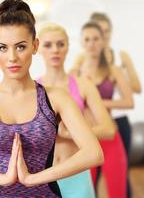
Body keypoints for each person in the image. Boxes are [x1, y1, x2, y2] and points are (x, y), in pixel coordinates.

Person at [0, 0, 104, 198]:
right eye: (3, 47)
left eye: (20, 47)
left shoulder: (56, 99)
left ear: (35, 45)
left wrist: (34, 178)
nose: (12, 57)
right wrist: (2, 178)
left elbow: (94, 153)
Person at [37, 22, 115, 198]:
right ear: (38, 47)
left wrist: (69, 133)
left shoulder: (83, 85)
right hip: (43, 175)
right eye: (48, 45)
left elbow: (108, 129)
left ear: (68, 47)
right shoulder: (32, 89)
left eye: (60, 44)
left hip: (76, 174)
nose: (55, 50)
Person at [71, 13, 142, 198]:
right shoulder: (76, 72)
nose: (92, 43)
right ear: (81, 43)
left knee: (118, 190)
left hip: (111, 136)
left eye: (96, 39)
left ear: (103, 41)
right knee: (87, 191)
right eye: (87, 39)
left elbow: (129, 101)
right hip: (87, 137)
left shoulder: (113, 70)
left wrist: (97, 102)